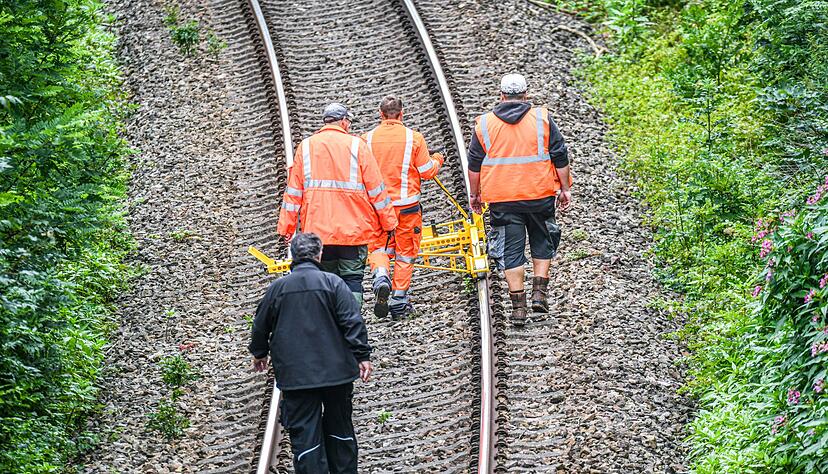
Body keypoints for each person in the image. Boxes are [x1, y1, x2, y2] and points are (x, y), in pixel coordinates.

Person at [249, 232, 373, 474]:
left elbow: (260, 325)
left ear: (293, 257)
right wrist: (362, 355)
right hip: (337, 374)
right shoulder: (334, 283)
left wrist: (259, 353)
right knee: (340, 428)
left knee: (305, 436)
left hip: (297, 378)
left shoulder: (277, 289)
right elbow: (353, 321)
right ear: (319, 254)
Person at [467, 73, 573, 326]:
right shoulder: (542, 118)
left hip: (503, 198)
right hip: (539, 193)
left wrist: (475, 194)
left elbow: (474, 164)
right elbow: (560, 155)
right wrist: (565, 188)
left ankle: (518, 308)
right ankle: (539, 293)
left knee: (511, 251)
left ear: (501, 96)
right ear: (526, 95)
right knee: (542, 239)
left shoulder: (484, 124)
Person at [277, 103, 398, 309]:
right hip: (354, 232)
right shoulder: (357, 146)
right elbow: (377, 190)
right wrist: (389, 223)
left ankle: (330, 325)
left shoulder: (305, 147)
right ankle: (351, 321)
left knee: (325, 279)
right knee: (352, 278)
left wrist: (286, 228)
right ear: (343, 122)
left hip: (319, 233)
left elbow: (293, 192)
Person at [362, 96, 444, 318]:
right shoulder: (413, 138)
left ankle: (380, 276)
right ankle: (399, 302)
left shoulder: (366, 140)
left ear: (380, 114)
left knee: (378, 248)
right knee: (405, 253)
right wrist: (438, 159)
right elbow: (427, 171)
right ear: (401, 114)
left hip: (377, 207)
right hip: (406, 207)